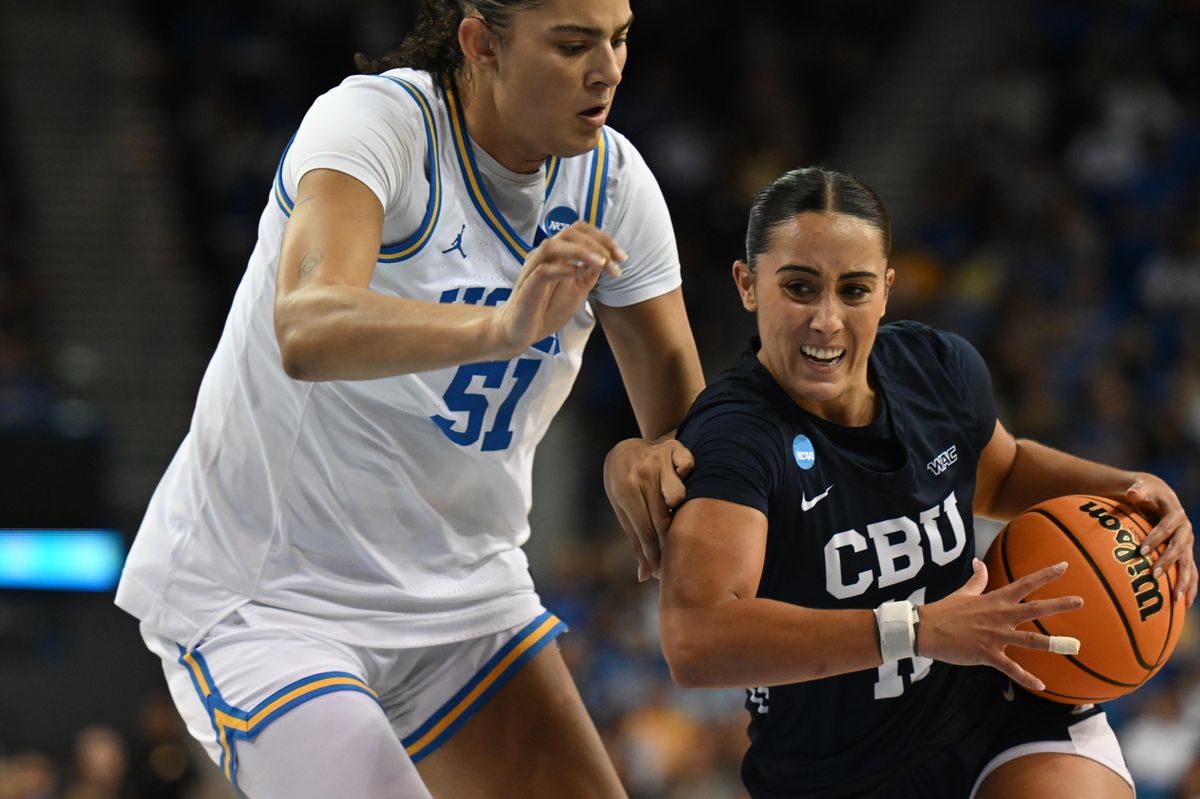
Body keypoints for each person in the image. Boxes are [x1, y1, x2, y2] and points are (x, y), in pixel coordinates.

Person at [114, 0, 704, 796]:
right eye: (572, 45)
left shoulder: (616, 180)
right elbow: (307, 323)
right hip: (272, 597)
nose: (608, 70)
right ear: (479, 43)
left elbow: (686, 427)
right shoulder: (375, 124)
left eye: (620, 38)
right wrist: (498, 326)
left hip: (465, 598)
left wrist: (644, 456)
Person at [653, 166, 1197, 799]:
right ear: (748, 285)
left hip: (998, 700)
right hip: (834, 773)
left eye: (853, 290)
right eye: (800, 287)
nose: (826, 320)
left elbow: (1005, 472)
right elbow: (697, 640)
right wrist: (914, 628)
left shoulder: (935, 368)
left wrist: (1131, 486)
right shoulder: (736, 436)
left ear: (886, 290)